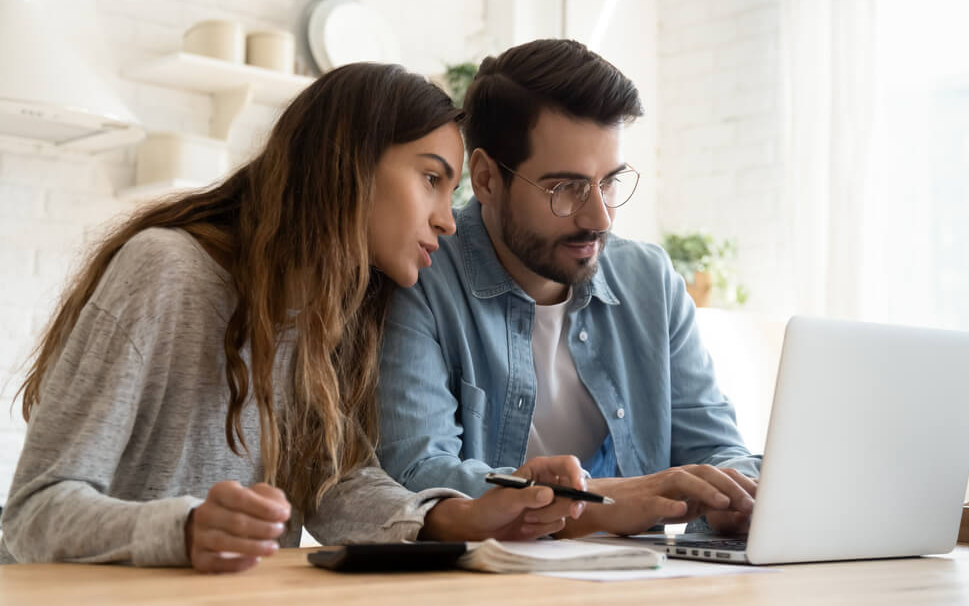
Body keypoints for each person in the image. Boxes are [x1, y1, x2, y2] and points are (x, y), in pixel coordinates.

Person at [0, 62, 588, 572]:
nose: (448, 220)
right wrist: (183, 530)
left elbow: (334, 486)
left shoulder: (335, 314)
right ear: (348, 163)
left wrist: (461, 517)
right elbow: (34, 512)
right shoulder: (166, 270)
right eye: (431, 179)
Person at [377, 39, 761, 538]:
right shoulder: (418, 277)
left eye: (610, 183)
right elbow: (416, 472)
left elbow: (715, 447)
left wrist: (736, 495)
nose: (599, 217)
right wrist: (598, 504)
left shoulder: (650, 282)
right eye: (567, 189)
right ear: (488, 179)